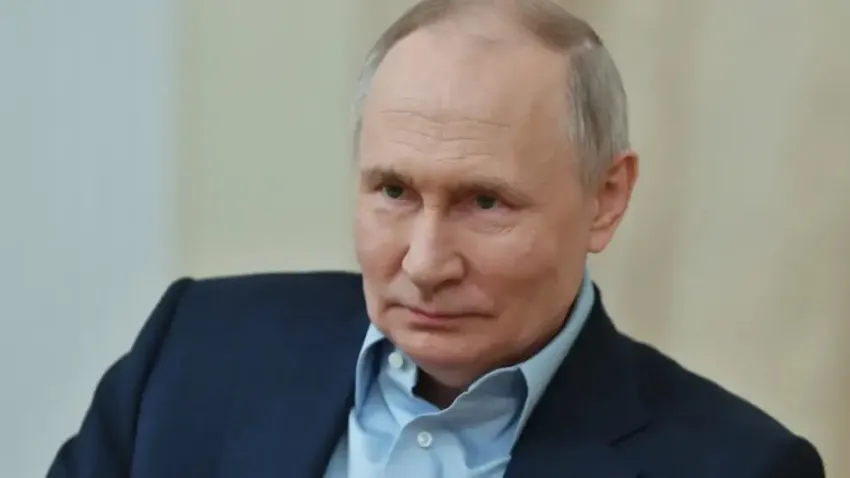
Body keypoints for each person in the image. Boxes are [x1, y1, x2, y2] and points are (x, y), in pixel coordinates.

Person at [48, 1, 825, 477]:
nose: (424, 264)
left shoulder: (739, 466)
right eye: (394, 191)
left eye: (485, 202)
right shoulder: (193, 353)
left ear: (605, 198)